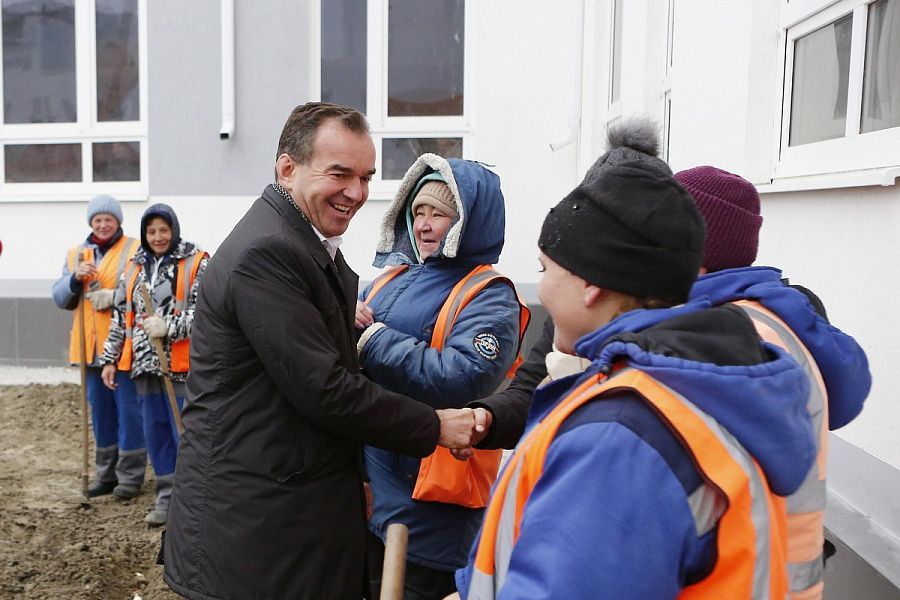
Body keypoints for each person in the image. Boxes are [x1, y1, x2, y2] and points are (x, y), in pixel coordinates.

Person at [163, 102, 484, 600]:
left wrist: (353, 477)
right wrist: (436, 425)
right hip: (255, 534)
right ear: (287, 167)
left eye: (366, 177)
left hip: (289, 514)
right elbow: (326, 389)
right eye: (339, 173)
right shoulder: (268, 254)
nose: (356, 193)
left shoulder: (304, 243)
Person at [454, 159, 817, 599]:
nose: (542, 287)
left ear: (590, 284)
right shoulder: (662, 386)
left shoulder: (619, 435)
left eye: (546, 268)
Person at [676, 165, 871, 599]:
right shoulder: (772, 317)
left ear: (693, 251)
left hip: (744, 578)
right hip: (781, 573)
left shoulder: (730, 340)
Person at [356, 154, 528, 600]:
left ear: (470, 222)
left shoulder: (490, 295)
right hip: (375, 489)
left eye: (439, 213)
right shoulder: (388, 278)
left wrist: (372, 338)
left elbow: (463, 377)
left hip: (433, 504)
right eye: (418, 212)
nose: (424, 225)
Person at [99, 203, 208, 526]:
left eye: (164, 230)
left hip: (183, 366)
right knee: (157, 431)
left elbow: (207, 312)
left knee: (185, 434)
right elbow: (121, 316)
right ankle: (166, 496)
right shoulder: (133, 267)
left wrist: (169, 327)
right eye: (151, 231)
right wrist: (109, 359)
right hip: (145, 365)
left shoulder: (195, 261)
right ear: (144, 234)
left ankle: (193, 500)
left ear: (174, 229)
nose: (158, 237)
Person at [51, 195, 146, 500]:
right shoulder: (76, 255)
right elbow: (60, 298)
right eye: (98, 220)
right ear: (91, 223)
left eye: (109, 219)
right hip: (90, 350)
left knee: (129, 413)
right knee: (102, 416)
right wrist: (74, 282)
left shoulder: (134, 249)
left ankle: (130, 478)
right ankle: (105, 476)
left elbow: (142, 290)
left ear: (118, 222)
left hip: (122, 349)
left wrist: (114, 295)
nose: (103, 225)